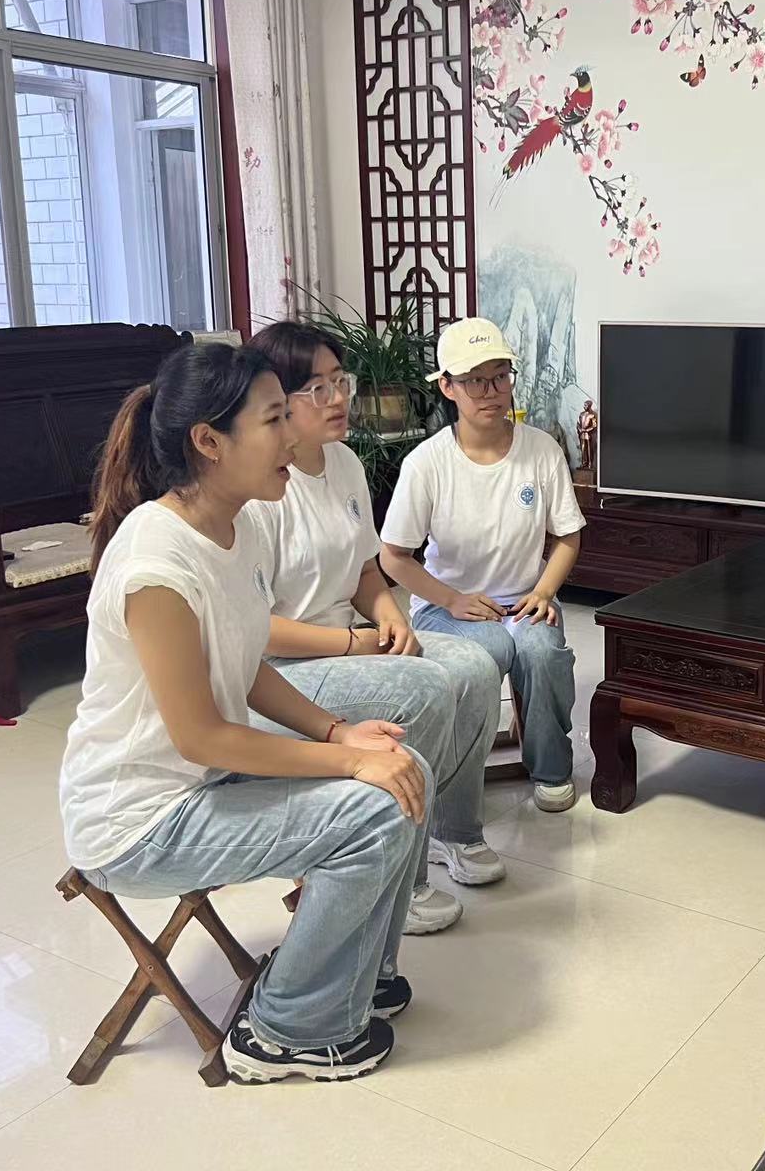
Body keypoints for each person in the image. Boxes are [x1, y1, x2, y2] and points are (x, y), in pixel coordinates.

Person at [59, 342, 430, 1085]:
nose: (293, 435)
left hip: (197, 782)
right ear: (208, 441)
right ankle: (285, 1030)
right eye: (273, 419)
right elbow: (202, 735)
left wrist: (339, 732)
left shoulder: (241, 524)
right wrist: (346, 760)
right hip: (138, 820)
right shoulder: (156, 566)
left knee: (401, 765)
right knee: (374, 807)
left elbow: (244, 661)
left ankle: (355, 979)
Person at [246, 320, 505, 929]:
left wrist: (389, 615)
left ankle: (454, 833)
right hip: (281, 670)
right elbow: (253, 630)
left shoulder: (343, 463)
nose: (338, 398)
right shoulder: (259, 487)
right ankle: (400, 881)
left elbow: (366, 569)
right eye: (318, 388)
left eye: (341, 381)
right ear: (276, 401)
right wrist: (354, 643)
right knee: (425, 688)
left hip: (349, 643)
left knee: (476, 665)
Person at [380, 317, 587, 813]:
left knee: (542, 652)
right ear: (447, 386)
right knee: (490, 648)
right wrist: (452, 599)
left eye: (499, 376)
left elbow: (567, 536)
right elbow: (394, 557)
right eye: (474, 380)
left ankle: (550, 767)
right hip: (446, 605)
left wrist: (544, 591)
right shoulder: (427, 463)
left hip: (525, 598)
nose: (490, 392)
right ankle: (456, 774)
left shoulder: (541, 450)